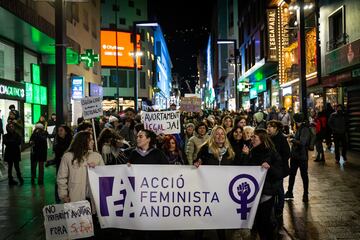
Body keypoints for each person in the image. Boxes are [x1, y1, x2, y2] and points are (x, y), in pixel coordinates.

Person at [194, 125, 235, 240]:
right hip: (206, 189)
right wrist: (197, 163)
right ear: (213, 136)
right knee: (203, 216)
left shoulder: (229, 150)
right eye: (217, 134)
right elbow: (196, 161)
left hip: (223, 190)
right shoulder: (204, 149)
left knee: (220, 217)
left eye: (222, 134)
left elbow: (236, 168)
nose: (220, 136)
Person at [241, 129, 282, 240]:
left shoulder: (272, 153)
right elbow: (246, 170)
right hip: (253, 193)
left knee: (266, 221)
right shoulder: (252, 152)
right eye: (252, 137)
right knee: (258, 222)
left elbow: (280, 173)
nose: (252, 139)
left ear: (262, 139)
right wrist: (246, 156)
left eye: (255, 137)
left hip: (266, 193)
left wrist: (270, 168)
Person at [57, 131, 104, 203]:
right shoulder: (68, 157)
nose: (93, 141)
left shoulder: (97, 156)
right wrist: (63, 195)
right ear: (82, 141)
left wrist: (96, 169)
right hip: (75, 198)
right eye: (90, 139)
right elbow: (62, 178)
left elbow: (104, 175)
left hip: (93, 199)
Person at [266, 120, 290, 225]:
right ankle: (274, 209)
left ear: (276, 128)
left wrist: (278, 162)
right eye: (268, 127)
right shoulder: (268, 138)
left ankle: (279, 210)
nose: (269, 128)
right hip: (271, 169)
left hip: (279, 169)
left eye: (271, 127)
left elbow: (287, 154)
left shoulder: (281, 139)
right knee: (275, 188)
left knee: (279, 189)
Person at [285, 113, 311, 202]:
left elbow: (302, 142)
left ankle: (305, 194)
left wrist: (292, 140)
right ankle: (289, 192)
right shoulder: (300, 128)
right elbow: (299, 138)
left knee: (304, 176)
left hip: (301, 156)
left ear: (296, 121)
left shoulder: (305, 129)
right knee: (292, 175)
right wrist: (291, 136)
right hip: (295, 156)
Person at [53, 125, 73, 203]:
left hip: (69, 165)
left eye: (61, 130)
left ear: (66, 132)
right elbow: (56, 152)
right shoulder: (57, 140)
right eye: (58, 131)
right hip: (59, 165)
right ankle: (58, 199)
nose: (59, 132)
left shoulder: (71, 142)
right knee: (59, 181)